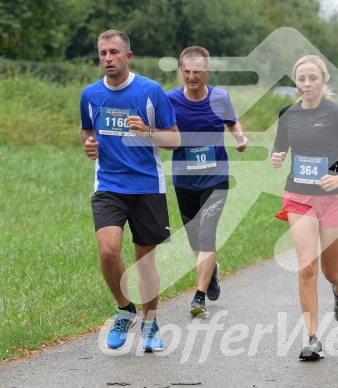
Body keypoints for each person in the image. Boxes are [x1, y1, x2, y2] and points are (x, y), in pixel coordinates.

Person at [80, 30, 180, 352]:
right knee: (108, 251)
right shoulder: (90, 94)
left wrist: (149, 132)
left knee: (145, 264)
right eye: (103, 53)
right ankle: (125, 309)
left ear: (128, 56)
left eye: (113, 52)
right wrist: (89, 145)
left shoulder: (150, 91)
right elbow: (86, 130)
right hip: (109, 184)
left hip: (147, 187)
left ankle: (151, 323)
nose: (107, 58)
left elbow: (174, 140)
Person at [271, 55, 338, 360]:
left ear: (324, 80)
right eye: (301, 79)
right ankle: (312, 338)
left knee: (330, 270)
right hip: (298, 196)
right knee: (306, 266)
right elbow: (281, 146)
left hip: (333, 199)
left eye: (313, 78)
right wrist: (276, 156)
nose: (307, 84)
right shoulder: (287, 113)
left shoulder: (337, 113)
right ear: (295, 82)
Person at [166, 46, 248, 318]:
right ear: (181, 71)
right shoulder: (170, 100)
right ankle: (210, 271)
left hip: (216, 177)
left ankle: (198, 296)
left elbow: (232, 123)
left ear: (207, 71)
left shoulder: (220, 98)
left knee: (206, 232)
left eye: (197, 72)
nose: (191, 77)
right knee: (193, 235)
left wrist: (240, 137)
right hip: (184, 178)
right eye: (186, 71)